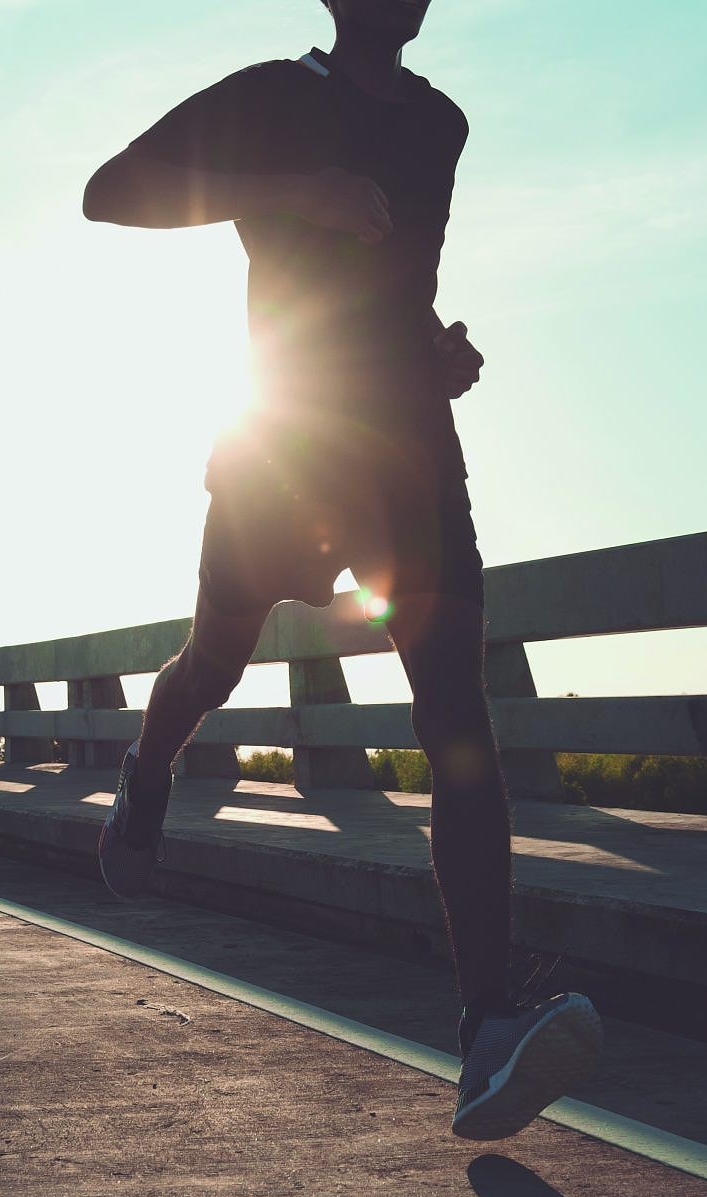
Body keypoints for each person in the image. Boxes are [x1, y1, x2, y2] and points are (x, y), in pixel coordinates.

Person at [83, 0, 600, 1139]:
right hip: (283, 439)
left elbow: (390, 292)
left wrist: (434, 349)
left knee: (454, 710)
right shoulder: (270, 97)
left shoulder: (440, 126)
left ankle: (484, 1026)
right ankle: (149, 770)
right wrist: (281, 192)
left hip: (407, 449)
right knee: (213, 656)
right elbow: (106, 191)